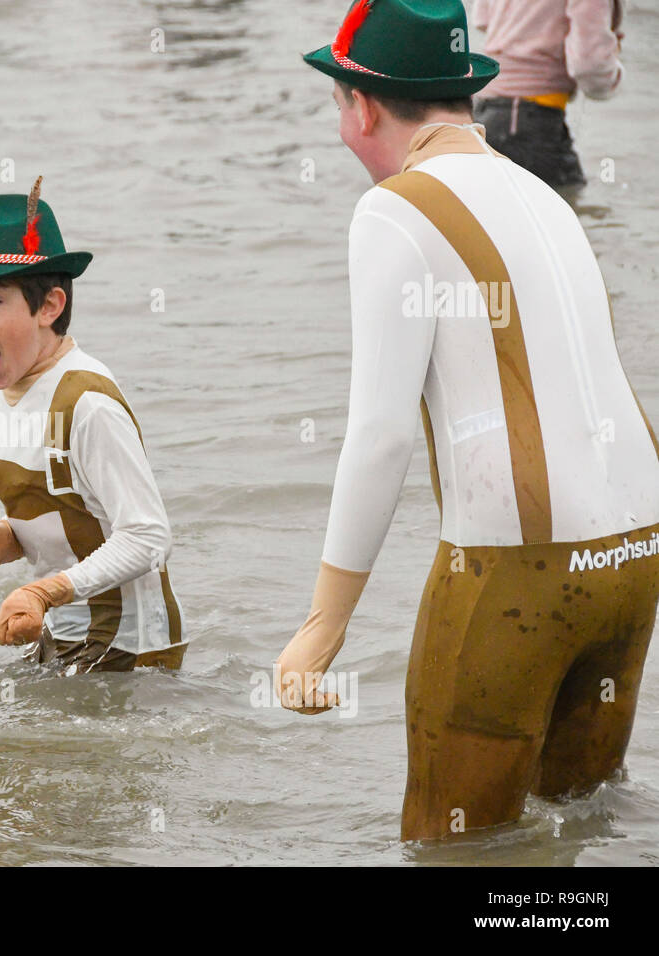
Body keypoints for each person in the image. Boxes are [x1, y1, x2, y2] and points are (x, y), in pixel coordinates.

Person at [286, 0, 659, 841]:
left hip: (518, 569)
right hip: (637, 551)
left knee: (451, 850)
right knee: (573, 832)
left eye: (337, 105)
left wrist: (324, 624)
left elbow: (378, 435)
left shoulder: (393, 210)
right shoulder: (543, 193)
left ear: (363, 105)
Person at [0, 179, 187, 672]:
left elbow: (147, 537)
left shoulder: (87, 404)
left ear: (49, 306)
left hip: (131, 655)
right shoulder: (1, 388)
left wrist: (44, 590)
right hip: (58, 638)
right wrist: (3, 540)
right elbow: (75, 515)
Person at [472, 0, 624, 192]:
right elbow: (589, 67)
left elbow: (482, 19)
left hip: (484, 110)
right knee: (568, 208)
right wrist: (613, 74)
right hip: (531, 121)